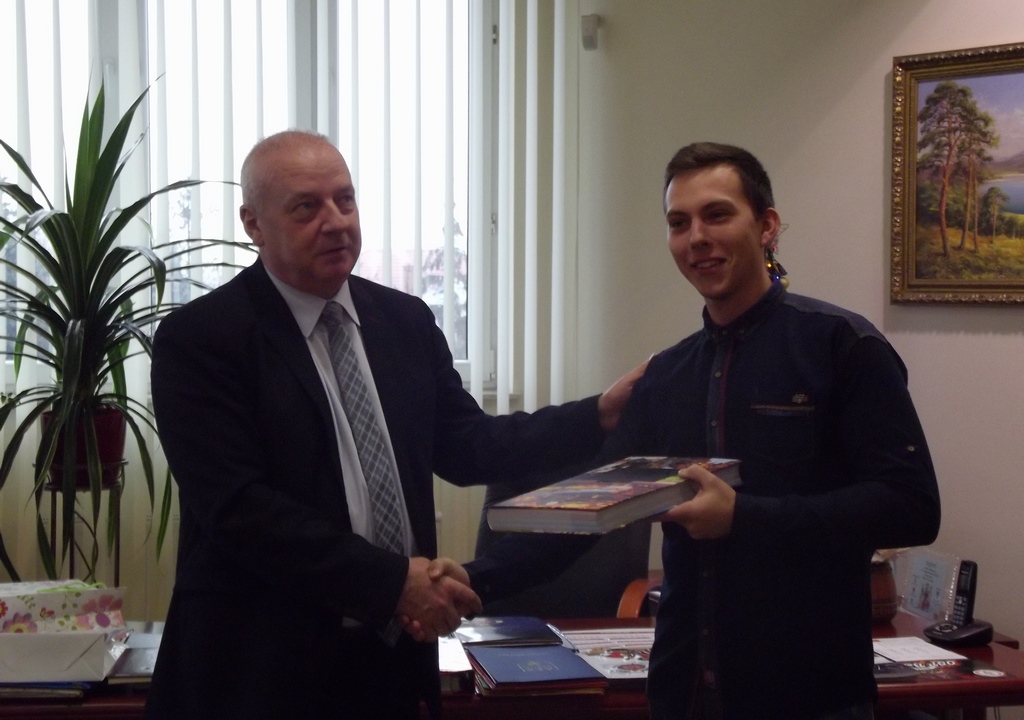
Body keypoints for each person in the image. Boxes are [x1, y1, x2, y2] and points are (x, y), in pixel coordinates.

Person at [144, 130, 644, 720]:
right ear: (253, 223)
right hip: (261, 668)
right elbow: (239, 511)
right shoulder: (202, 339)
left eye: (345, 200)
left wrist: (599, 414)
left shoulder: (403, 321)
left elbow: (468, 445)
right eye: (307, 207)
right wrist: (392, 583)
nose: (336, 222)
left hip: (392, 657)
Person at [446, 142, 941, 719]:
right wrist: (470, 579)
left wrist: (743, 517)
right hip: (683, 692)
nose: (697, 237)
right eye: (679, 223)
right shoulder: (666, 375)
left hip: (808, 693)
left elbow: (911, 507)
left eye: (717, 214)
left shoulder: (842, 347)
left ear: (767, 226)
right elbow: (593, 515)